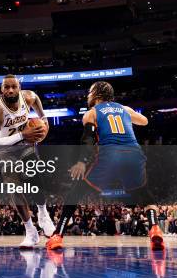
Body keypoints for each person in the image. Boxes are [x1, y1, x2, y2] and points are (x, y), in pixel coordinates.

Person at [46, 81, 163, 250]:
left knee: (76, 192)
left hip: (111, 154)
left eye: (90, 93)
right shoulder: (125, 109)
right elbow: (144, 121)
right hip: (134, 154)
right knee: (144, 195)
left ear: (97, 95)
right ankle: (155, 228)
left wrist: (82, 162)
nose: (88, 96)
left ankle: (57, 236)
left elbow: (88, 139)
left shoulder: (91, 113)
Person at [0, 75, 54, 249]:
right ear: (2, 89)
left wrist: (43, 117)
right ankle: (31, 232)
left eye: (13, 87)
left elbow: (37, 99)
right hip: (4, 149)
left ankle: (43, 213)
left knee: (36, 179)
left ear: (19, 87)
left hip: (24, 146)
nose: (10, 90)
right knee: (14, 188)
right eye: (6, 87)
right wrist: (23, 135)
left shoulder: (28, 97)